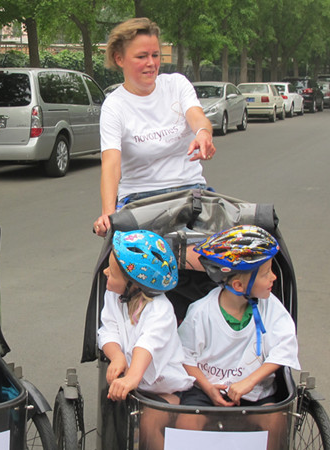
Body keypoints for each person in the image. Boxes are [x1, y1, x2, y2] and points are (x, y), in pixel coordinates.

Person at [176, 225, 300, 449]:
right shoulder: (201, 312)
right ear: (238, 285)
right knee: (187, 422)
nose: (274, 277)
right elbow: (185, 355)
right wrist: (207, 387)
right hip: (208, 388)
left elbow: (285, 347)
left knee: (274, 420)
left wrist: (248, 382)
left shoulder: (271, 307)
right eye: (266, 273)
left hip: (255, 390)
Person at [94, 17, 216, 237]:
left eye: (155, 55)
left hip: (191, 194)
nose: (151, 63)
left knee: (241, 255)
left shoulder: (176, 84)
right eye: (142, 56)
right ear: (119, 58)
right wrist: (108, 214)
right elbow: (111, 164)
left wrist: (203, 133)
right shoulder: (114, 106)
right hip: (142, 200)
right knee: (130, 263)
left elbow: (197, 116)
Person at [98, 230, 194, 449]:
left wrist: (132, 377)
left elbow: (147, 345)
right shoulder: (114, 296)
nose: (105, 272)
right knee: (113, 411)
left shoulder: (160, 310)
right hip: (136, 387)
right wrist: (117, 357)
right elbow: (108, 330)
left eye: (112, 273)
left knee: (150, 424)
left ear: (134, 284)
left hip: (164, 387)